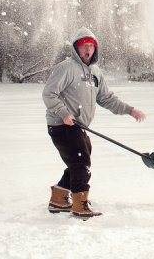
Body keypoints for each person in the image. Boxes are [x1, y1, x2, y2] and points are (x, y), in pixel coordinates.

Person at [43, 27, 147, 219]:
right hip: (62, 125)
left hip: (79, 126)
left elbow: (106, 98)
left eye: (91, 45)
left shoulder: (95, 72)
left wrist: (129, 110)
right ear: (76, 48)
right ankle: (79, 204)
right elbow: (49, 93)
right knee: (81, 162)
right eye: (84, 45)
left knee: (80, 161)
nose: (88, 49)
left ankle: (59, 197)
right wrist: (64, 114)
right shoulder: (66, 68)